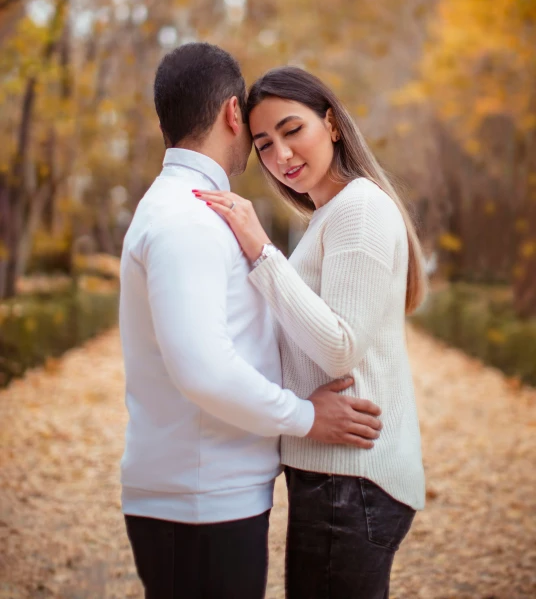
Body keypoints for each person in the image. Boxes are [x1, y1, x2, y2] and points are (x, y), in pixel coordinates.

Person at [119, 44, 383, 599]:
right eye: (260, 135)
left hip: (208, 494)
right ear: (233, 114)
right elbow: (205, 370)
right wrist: (307, 417)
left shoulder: (196, 208)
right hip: (198, 501)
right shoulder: (184, 217)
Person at [194, 65, 427, 599]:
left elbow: (340, 347)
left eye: (292, 130)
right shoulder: (329, 215)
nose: (281, 155)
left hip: (352, 481)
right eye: (264, 143)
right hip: (337, 475)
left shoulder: (360, 210)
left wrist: (260, 250)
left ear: (333, 124)